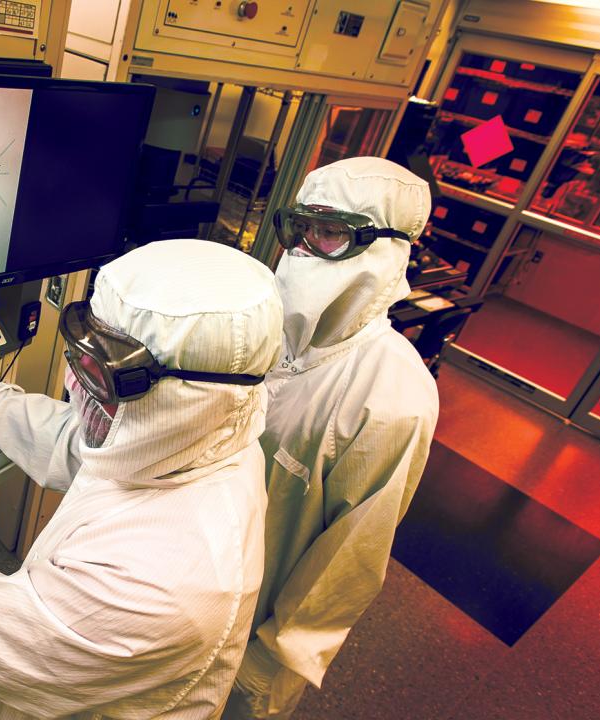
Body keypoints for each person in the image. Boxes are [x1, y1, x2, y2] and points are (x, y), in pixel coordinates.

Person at [0, 239, 284, 718]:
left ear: (185, 401)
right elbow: (91, 447)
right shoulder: (208, 439)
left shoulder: (159, 585)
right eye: (81, 355)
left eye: (99, 375)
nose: (72, 385)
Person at [227, 157, 440, 718]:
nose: (300, 250)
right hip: (181, 590)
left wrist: (265, 665)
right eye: (298, 228)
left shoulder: (394, 397)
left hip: (248, 641)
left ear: (387, 248)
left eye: (328, 232)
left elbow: (350, 556)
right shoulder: (263, 330)